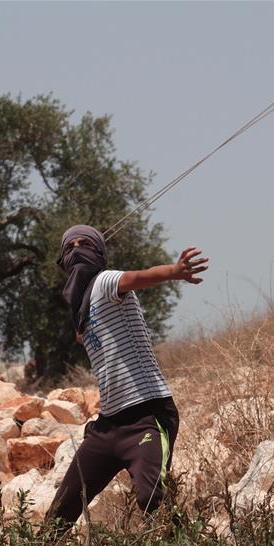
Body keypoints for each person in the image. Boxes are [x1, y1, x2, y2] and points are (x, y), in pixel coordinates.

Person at [46, 224, 209, 528]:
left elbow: (137, 277)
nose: (77, 251)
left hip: (147, 416)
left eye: (85, 244)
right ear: (63, 261)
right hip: (107, 426)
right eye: (70, 247)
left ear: (99, 253)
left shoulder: (105, 281)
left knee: (154, 501)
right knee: (59, 514)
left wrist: (174, 271)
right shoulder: (82, 311)